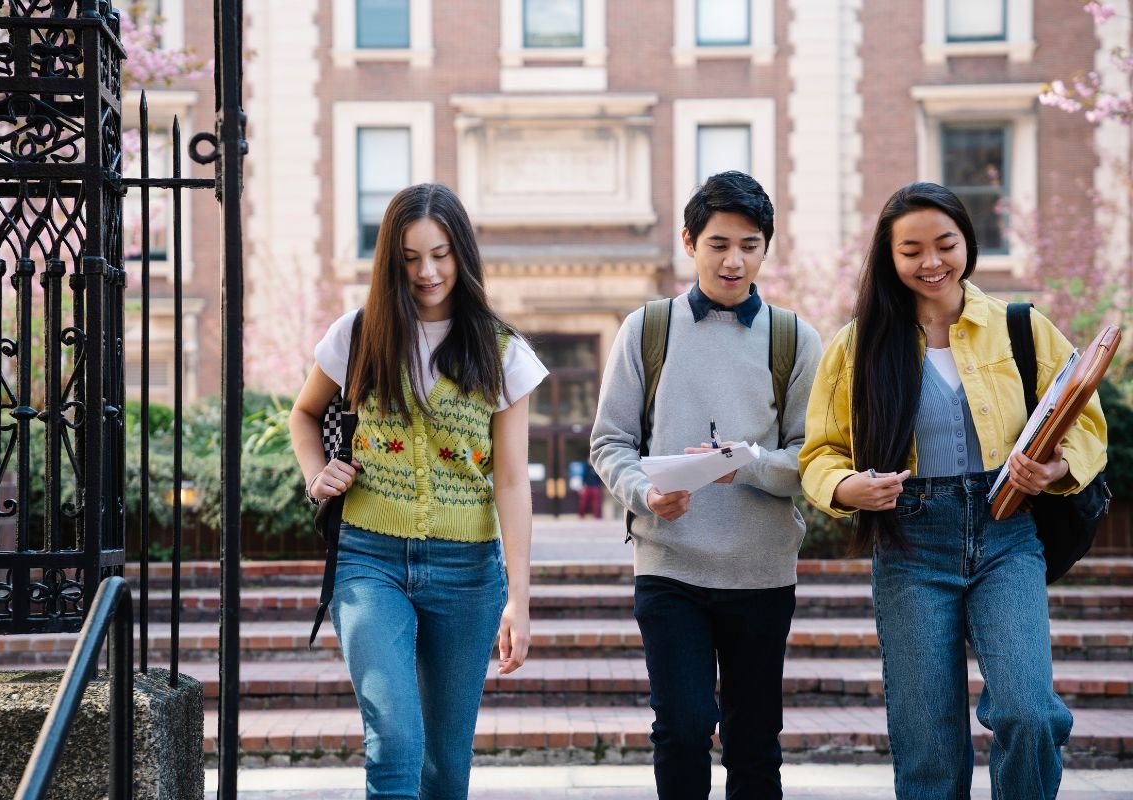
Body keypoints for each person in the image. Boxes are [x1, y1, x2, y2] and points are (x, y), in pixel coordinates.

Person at [798, 182, 1107, 799]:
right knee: (929, 753)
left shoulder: (1022, 327)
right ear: (889, 257)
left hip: (1007, 535)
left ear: (968, 241)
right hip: (910, 543)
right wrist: (849, 486)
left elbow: (1087, 422)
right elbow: (819, 454)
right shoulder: (858, 346)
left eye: (945, 244)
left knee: (1030, 713)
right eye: (911, 250)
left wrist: (1053, 472)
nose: (931, 261)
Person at [289, 182, 548, 799]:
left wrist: (520, 598)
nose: (427, 271)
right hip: (369, 559)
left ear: (462, 253)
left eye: (440, 254)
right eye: (409, 257)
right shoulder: (357, 335)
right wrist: (315, 474)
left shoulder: (502, 353)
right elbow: (304, 414)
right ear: (390, 261)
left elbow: (511, 481)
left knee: (445, 766)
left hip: (468, 575)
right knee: (395, 745)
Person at [590, 170, 822, 799]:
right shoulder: (647, 329)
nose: (733, 259)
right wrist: (645, 491)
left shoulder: (793, 338)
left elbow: (813, 457)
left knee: (754, 742)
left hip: (762, 572)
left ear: (765, 248)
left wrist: (741, 463)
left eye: (749, 244)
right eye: (718, 243)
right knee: (683, 726)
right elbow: (609, 442)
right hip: (670, 565)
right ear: (690, 242)